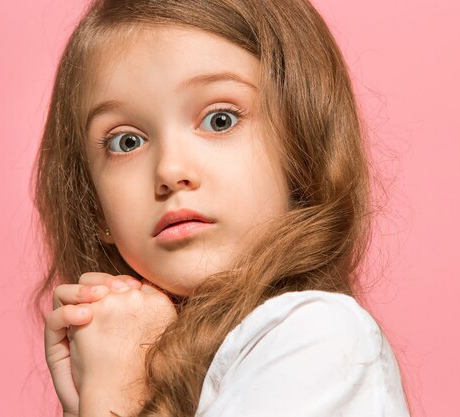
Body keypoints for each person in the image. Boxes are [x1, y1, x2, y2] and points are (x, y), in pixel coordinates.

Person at [33, 0, 411, 416]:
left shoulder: (318, 336)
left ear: (302, 149)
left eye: (220, 120)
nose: (171, 170)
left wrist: (113, 396)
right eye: (127, 142)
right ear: (95, 208)